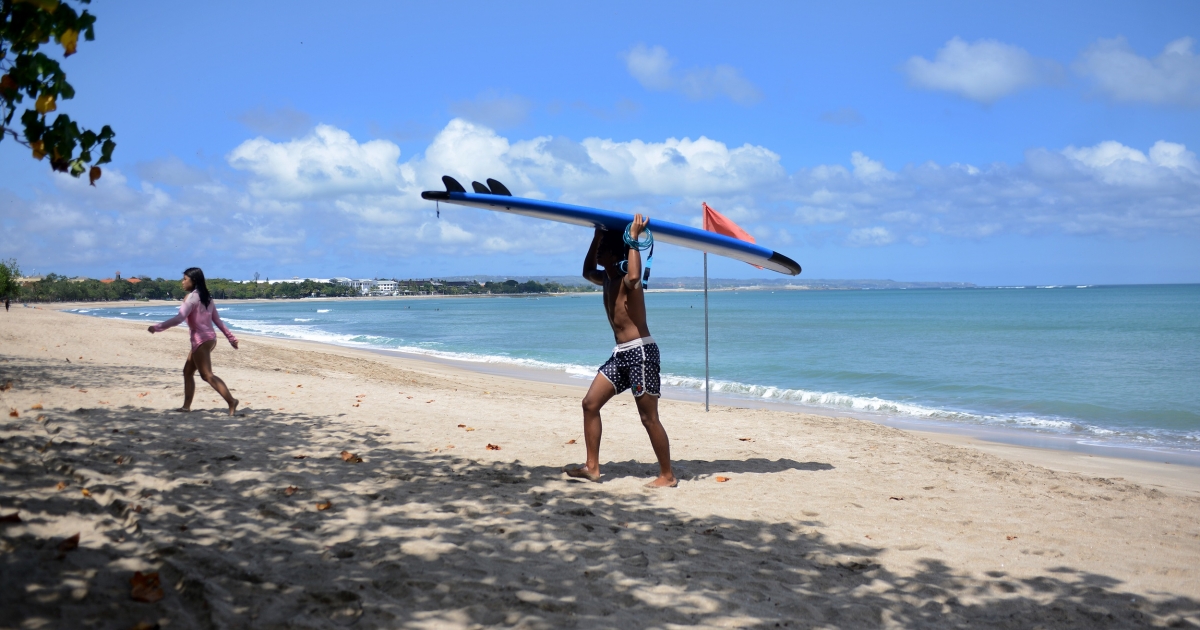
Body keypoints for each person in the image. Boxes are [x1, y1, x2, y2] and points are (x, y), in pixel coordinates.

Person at [566, 214, 676, 488]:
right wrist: (596, 238)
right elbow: (586, 270)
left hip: (641, 353)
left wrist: (634, 238)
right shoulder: (605, 279)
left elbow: (636, 274)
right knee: (590, 404)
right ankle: (592, 468)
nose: (600, 250)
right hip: (621, 354)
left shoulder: (629, 281)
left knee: (648, 418)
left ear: (617, 250)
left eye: (604, 246)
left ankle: (667, 475)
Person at [148, 267, 240, 415]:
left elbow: (179, 318)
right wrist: (231, 338)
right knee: (187, 372)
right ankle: (186, 407)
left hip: (201, 341)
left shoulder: (191, 298)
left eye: (185, 279)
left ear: (194, 281)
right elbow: (218, 321)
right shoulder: (207, 298)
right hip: (210, 339)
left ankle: (231, 401)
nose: (182, 282)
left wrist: (157, 327)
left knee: (207, 375)